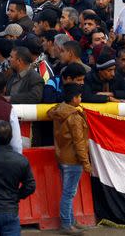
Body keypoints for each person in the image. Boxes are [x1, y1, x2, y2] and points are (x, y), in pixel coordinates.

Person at [47, 84, 91, 235]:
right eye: (79, 96)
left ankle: (70, 221)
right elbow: (79, 143)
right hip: (73, 160)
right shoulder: (74, 117)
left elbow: (49, 112)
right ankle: (67, 223)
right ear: (74, 99)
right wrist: (86, 163)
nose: (81, 98)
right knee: (69, 193)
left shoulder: (59, 111)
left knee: (68, 192)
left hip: (62, 157)